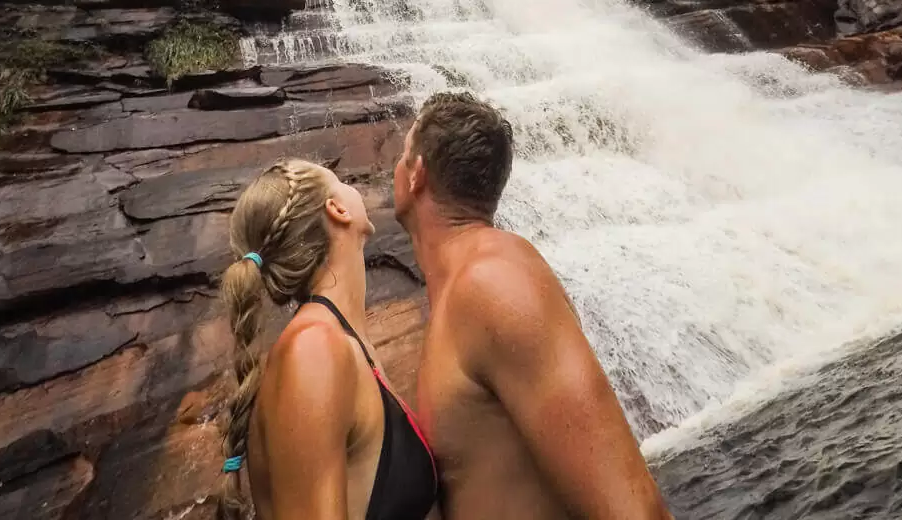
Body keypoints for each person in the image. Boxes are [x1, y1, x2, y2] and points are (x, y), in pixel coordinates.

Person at [394, 93, 673, 520]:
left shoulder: (494, 284)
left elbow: (636, 510)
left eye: (402, 154)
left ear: (416, 175)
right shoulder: (464, 289)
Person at [217, 158, 439, 520]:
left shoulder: (339, 342)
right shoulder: (313, 351)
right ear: (337, 210)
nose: (354, 184)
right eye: (341, 180)